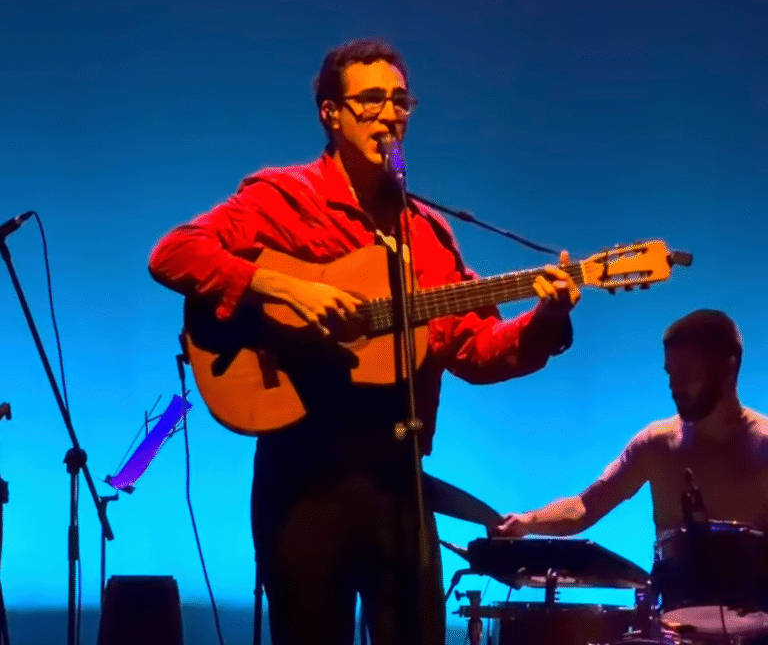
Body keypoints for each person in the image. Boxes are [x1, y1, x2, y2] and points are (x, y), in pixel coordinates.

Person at [148, 38, 580, 645]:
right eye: (371, 98)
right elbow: (173, 253)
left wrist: (545, 320)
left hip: (398, 484)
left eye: (400, 100)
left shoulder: (428, 233)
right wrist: (278, 287)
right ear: (331, 112)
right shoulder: (283, 197)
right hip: (301, 483)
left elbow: (476, 351)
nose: (389, 112)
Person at [494, 309, 768, 641]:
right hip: (675, 632)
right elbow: (585, 506)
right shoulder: (656, 443)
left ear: (729, 365)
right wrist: (527, 522)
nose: (674, 385)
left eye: (686, 371)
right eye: (670, 372)